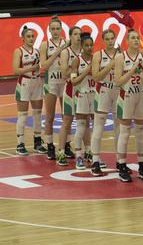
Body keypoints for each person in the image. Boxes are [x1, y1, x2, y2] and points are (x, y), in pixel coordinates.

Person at [114, 29, 143, 182]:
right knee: (125, 132)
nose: (136, 40)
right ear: (127, 41)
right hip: (126, 95)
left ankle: (142, 166)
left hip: (141, 95)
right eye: (133, 38)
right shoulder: (121, 57)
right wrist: (134, 70)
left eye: (138, 38)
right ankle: (122, 166)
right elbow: (118, 81)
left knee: (141, 132)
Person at [58, 26, 92, 169]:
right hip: (71, 90)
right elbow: (65, 74)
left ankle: (88, 151)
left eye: (80, 34)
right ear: (70, 36)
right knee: (67, 121)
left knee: (85, 122)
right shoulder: (67, 52)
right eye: (75, 34)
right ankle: (60, 152)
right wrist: (75, 67)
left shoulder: (88, 52)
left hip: (85, 91)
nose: (78, 37)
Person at [13, 26, 46, 155]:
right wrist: (32, 67)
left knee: (38, 114)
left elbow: (42, 66)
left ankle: (37, 142)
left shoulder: (37, 51)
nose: (31, 38)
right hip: (24, 83)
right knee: (23, 115)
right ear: (23, 38)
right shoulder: (19, 51)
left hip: (37, 82)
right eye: (28, 36)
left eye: (32, 36)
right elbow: (15, 70)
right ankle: (20, 144)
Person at [91, 29, 120, 172]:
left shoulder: (121, 54)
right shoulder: (98, 55)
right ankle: (95, 161)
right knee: (99, 126)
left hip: (118, 90)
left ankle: (120, 161)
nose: (110, 41)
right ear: (103, 40)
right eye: (107, 39)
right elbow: (96, 77)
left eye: (112, 38)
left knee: (119, 128)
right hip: (103, 90)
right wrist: (110, 66)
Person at [39, 16, 67, 162]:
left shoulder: (67, 43)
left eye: (58, 28)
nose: (55, 31)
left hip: (65, 81)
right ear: (49, 30)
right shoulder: (45, 45)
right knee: (49, 117)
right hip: (51, 82)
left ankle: (66, 145)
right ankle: (50, 145)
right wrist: (57, 52)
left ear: (61, 29)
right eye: (53, 29)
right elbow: (43, 66)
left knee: (66, 117)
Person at [70, 33, 98, 175]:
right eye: (86, 45)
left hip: (95, 95)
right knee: (81, 127)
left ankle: (93, 155)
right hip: (81, 95)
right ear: (81, 46)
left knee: (95, 127)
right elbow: (73, 81)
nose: (89, 48)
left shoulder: (96, 59)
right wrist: (87, 71)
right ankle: (78, 157)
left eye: (91, 45)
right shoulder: (77, 61)